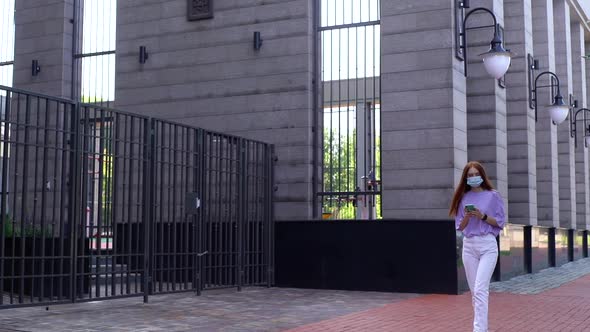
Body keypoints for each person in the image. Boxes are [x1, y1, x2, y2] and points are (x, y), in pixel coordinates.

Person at [449, 161, 506, 332]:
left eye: (476, 174)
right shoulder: (463, 198)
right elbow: (460, 226)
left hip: (487, 244)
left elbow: (500, 221)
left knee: (481, 290)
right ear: (466, 178)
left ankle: (478, 330)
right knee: (475, 293)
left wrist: (482, 216)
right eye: (470, 175)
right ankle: (483, 329)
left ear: (482, 175)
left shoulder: (493, 195)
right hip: (469, 246)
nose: (474, 177)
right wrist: (467, 216)